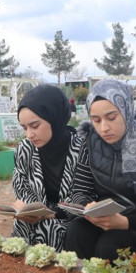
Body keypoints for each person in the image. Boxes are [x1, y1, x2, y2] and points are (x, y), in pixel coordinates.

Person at [64, 78, 136, 260]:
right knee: (77, 231)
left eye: (111, 117)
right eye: (96, 120)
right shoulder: (90, 143)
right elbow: (80, 190)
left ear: (126, 110)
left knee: (111, 245)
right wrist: (89, 208)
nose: (104, 128)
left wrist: (125, 222)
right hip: (103, 219)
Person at [12, 85, 83, 251]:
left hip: (72, 220)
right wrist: (30, 210)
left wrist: (54, 213)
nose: (29, 134)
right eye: (24, 128)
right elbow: (22, 186)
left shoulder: (81, 149)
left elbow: (85, 195)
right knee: (22, 222)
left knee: (50, 227)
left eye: (35, 126)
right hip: (36, 218)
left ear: (54, 118)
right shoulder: (25, 149)